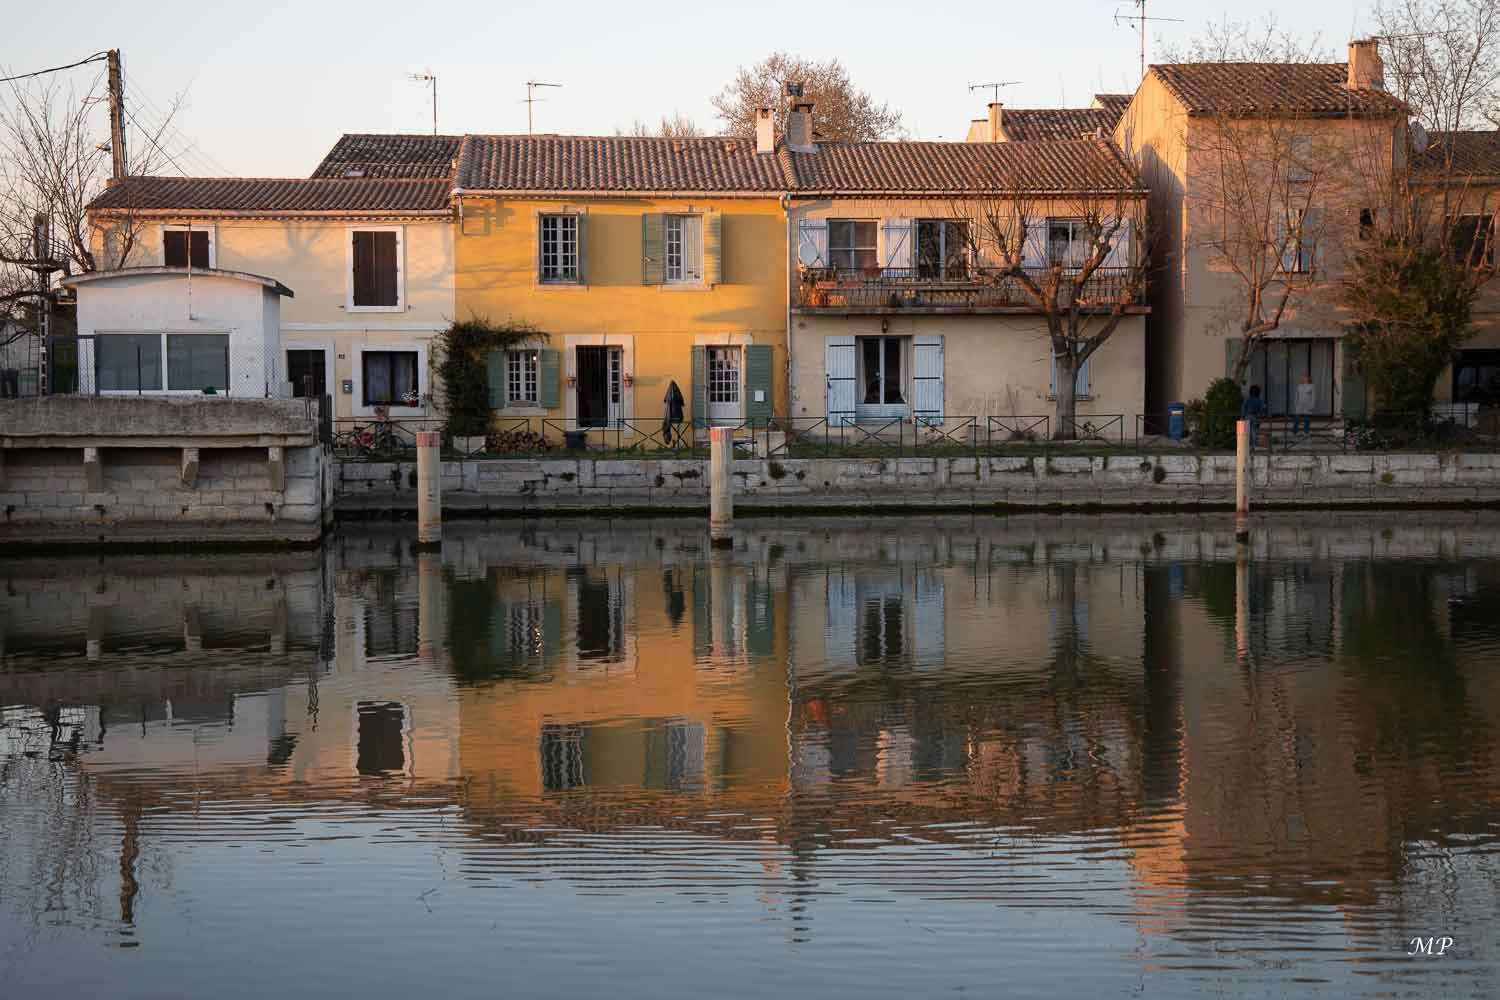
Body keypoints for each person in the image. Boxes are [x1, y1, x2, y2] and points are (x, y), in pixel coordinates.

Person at [661, 380, 685, 446]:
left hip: (671, 417)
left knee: (668, 425)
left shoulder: (670, 397)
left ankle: (676, 443)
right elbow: (681, 403)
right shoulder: (675, 396)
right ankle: (677, 443)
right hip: (675, 416)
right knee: (676, 429)